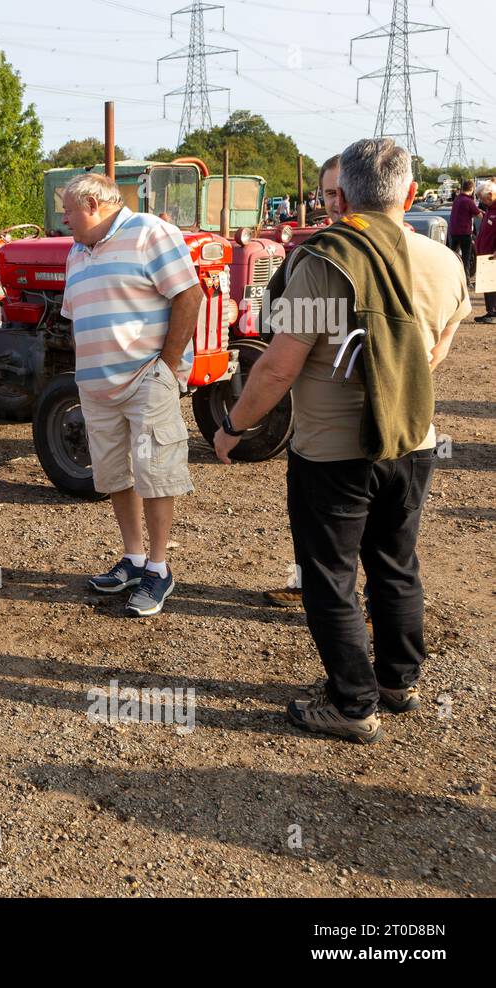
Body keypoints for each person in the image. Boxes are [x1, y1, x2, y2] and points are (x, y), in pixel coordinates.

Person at [214, 137, 470, 743]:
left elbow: (278, 366)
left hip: (333, 451)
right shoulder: (444, 262)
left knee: (330, 574)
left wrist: (233, 428)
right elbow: (434, 353)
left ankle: (352, 705)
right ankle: (396, 682)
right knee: (395, 561)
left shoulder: (326, 261)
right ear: (409, 194)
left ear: (344, 195)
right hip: (412, 440)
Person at [58, 173, 204, 618]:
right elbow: (77, 317)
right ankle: (135, 559)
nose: (63, 219)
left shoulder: (149, 232)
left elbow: (190, 294)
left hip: (145, 380)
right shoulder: (76, 253)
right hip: (96, 385)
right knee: (115, 474)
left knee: (154, 471)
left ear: (92, 205)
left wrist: (166, 365)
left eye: (67, 210)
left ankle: (159, 568)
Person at [263, 153, 343, 608]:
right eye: (329, 193)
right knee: (309, 516)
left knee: (375, 530)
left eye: (344, 192)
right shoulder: (308, 254)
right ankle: (303, 581)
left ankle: (369, 609)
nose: (337, 202)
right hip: (315, 419)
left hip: (374, 420)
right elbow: (276, 321)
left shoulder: (406, 254)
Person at [448, 179, 480, 280]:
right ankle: (467, 280)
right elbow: (479, 215)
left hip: (454, 232)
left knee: (454, 256)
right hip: (464, 233)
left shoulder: (457, 199)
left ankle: (452, 277)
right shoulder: (468, 201)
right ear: (472, 189)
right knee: (466, 257)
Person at [476, 183, 496, 324]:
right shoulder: (490, 208)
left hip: (492, 254)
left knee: (492, 284)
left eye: (482, 198)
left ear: (490, 194)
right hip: (485, 253)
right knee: (487, 284)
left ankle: (494, 313)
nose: (480, 201)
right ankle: (490, 311)